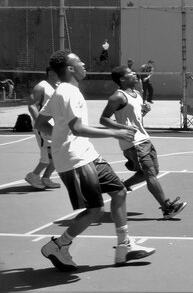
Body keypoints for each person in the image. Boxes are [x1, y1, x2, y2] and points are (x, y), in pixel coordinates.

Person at [35, 50, 155, 271]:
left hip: (87, 154)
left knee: (119, 191)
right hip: (76, 160)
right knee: (95, 210)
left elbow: (41, 124)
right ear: (70, 69)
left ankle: (124, 246)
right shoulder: (68, 92)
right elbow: (77, 128)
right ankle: (59, 245)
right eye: (79, 61)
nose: (83, 63)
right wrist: (114, 133)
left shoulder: (63, 91)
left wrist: (60, 138)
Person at [100, 65, 187, 219]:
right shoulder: (118, 97)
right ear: (122, 79)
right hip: (133, 142)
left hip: (144, 138)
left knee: (152, 172)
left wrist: (143, 112)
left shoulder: (137, 93)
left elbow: (135, 117)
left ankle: (122, 186)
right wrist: (122, 127)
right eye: (130, 73)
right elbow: (104, 119)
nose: (134, 74)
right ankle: (167, 207)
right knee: (150, 173)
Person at [24, 67, 61, 190]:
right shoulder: (41, 87)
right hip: (43, 127)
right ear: (50, 73)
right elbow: (31, 105)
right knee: (47, 158)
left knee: (58, 154)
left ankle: (46, 178)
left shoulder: (57, 86)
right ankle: (33, 175)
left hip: (53, 125)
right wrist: (39, 122)